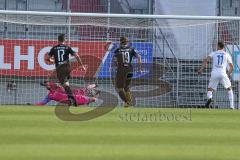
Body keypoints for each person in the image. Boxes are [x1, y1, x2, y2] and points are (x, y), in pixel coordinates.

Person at [45, 34, 86, 106]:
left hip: (60, 69)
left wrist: (53, 61)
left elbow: (47, 58)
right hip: (68, 68)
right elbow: (77, 55)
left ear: (58, 40)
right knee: (66, 84)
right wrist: (81, 65)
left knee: (65, 86)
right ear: (65, 40)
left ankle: (73, 100)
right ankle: (70, 100)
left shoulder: (54, 48)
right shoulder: (67, 47)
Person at [198, 42, 234, 109]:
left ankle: (210, 98)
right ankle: (232, 106)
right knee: (229, 89)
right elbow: (232, 67)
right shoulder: (227, 54)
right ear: (224, 47)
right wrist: (228, 74)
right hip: (223, 73)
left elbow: (206, 60)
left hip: (214, 73)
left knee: (210, 89)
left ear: (218, 46)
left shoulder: (213, 53)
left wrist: (201, 69)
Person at [113, 37, 142, 107]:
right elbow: (139, 57)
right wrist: (139, 68)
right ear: (127, 42)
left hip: (121, 70)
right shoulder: (132, 49)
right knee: (126, 86)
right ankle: (129, 101)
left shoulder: (117, 50)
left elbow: (115, 60)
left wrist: (116, 66)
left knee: (120, 88)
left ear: (120, 42)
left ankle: (127, 102)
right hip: (129, 70)